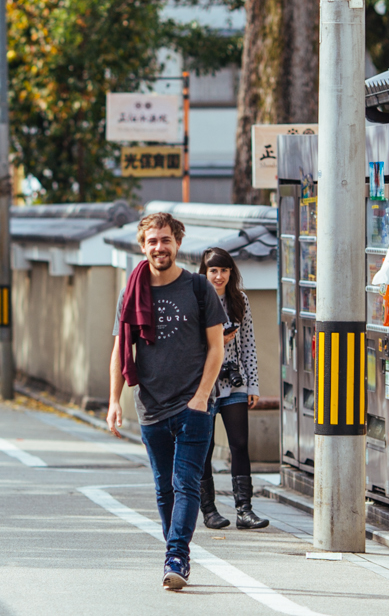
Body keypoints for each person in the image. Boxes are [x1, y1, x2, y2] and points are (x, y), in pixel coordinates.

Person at [108, 212, 227, 591]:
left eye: (166, 240)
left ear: (178, 243)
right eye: (152, 241)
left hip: (193, 405)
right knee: (163, 488)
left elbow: (216, 348)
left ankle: (177, 555)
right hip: (150, 405)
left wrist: (201, 397)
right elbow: (119, 349)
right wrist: (114, 400)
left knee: (185, 483)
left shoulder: (197, 288)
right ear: (143, 246)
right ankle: (174, 550)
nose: (160, 247)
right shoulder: (132, 291)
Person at [196, 247, 269, 531]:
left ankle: (244, 510)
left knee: (239, 444)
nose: (218, 276)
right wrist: (218, 343)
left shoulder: (240, 300)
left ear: (231, 272)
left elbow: (249, 343)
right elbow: (189, 346)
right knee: (206, 447)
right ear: (204, 273)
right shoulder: (196, 299)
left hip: (233, 383)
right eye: (213, 270)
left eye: (224, 270)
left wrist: (253, 384)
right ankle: (209, 510)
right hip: (204, 385)